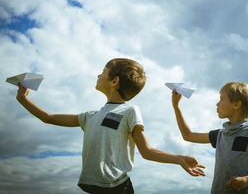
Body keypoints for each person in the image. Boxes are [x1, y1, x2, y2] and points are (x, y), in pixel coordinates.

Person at [16, 58, 205, 194]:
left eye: (103, 72)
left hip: (118, 189)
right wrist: (22, 99)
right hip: (92, 188)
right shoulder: (89, 117)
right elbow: (48, 117)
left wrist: (179, 158)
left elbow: (146, 151)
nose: (98, 75)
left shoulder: (129, 111)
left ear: (114, 81)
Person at [171, 82, 248, 193]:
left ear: (236, 104)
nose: (217, 104)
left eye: (221, 99)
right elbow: (188, 136)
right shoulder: (220, 134)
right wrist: (176, 106)